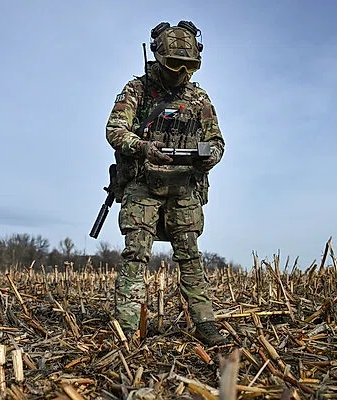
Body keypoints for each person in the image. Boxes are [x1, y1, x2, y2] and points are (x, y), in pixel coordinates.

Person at [105, 21, 227, 346]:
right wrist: (143, 147)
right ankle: (126, 330)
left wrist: (208, 156)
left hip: (184, 187)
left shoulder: (198, 97)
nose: (182, 73)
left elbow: (217, 141)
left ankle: (206, 324)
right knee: (135, 255)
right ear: (158, 57)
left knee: (190, 256)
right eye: (175, 64)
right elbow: (115, 130)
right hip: (143, 184)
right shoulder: (137, 90)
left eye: (189, 66)